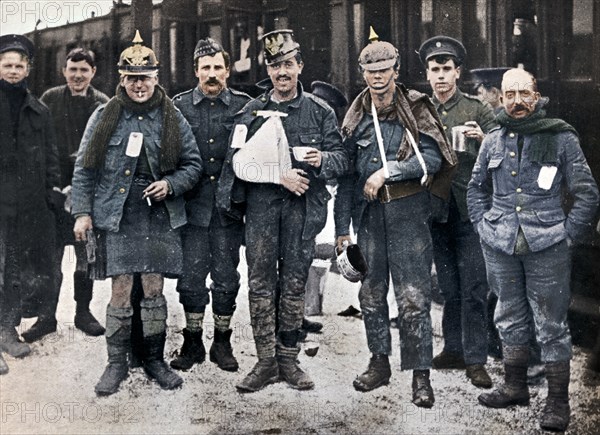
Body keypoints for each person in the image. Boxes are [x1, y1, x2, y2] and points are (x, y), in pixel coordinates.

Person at [71, 31, 202, 396]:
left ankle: (154, 359)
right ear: (121, 80)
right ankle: (116, 362)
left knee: (154, 287)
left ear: (156, 78)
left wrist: (171, 185)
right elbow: (84, 169)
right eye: (131, 78)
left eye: (145, 78)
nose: (139, 85)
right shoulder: (105, 115)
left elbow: (193, 164)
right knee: (121, 286)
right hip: (119, 212)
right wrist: (82, 213)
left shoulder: (171, 116)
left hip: (157, 212)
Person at [468, 68, 599, 432]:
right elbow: (476, 188)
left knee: (550, 324)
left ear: (537, 95)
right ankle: (515, 386)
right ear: (502, 98)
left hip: (548, 245)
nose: (517, 102)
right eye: (509, 95)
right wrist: (483, 225)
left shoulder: (560, 137)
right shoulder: (493, 138)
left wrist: (568, 234)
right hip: (501, 243)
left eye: (524, 94)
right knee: (508, 315)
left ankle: (558, 402)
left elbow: (587, 193)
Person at [218, 29, 348, 392]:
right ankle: (265, 363)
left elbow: (341, 160)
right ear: (268, 68)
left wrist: (321, 158)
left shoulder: (320, 112)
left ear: (300, 66)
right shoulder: (251, 112)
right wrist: (279, 176)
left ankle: (289, 361)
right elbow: (235, 163)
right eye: (275, 65)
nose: (282, 72)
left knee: (293, 283)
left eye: (288, 64)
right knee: (260, 284)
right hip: (261, 213)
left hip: (302, 213)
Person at [334, 29, 456, 407]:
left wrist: (390, 172)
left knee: (414, 297)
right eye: (371, 71)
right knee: (371, 294)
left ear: (397, 70)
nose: (378, 78)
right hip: (370, 217)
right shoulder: (355, 117)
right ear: (362, 73)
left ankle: (420, 377)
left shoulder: (417, 107)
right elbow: (347, 179)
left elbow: (436, 159)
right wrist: (341, 231)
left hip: (409, 214)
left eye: (385, 70)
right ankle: (379, 363)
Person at [418, 35, 496, 388]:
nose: (441, 76)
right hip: (436, 212)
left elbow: (501, 155)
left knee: (474, 287)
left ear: (458, 73)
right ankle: (453, 348)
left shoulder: (478, 110)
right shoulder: (419, 110)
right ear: (427, 73)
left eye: (447, 69)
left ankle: (477, 360)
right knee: (449, 287)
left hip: (470, 211)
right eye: (434, 69)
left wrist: (483, 140)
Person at [169, 38, 250, 372]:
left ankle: (222, 341)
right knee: (190, 278)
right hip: (192, 208)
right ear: (195, 71)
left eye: (218, 67)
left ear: (228, 71)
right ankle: (191, 341)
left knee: (226, 277)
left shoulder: (245, 106)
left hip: (229, 209)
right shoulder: (178, 106)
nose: (212, 74)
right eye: (206, 68)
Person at [21, 48, 110, 343]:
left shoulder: (103, 105)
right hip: (55, 191)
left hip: (87, 193)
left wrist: (81, 188)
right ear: (64, 71)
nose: (78, 76)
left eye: (84, 70)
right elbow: (38, 147)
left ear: (93, 73)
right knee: (50, 258)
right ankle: (47, 317)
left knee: (86, 257)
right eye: (73, 69)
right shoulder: (49, 100)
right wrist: (55, 187)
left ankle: (83, 313)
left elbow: (106, 153)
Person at [0, 34, 61, 374]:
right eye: (7, 65)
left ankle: (7, 331)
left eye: (18, 65)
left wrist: (50, 194)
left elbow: (51, 159)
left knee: (13, 272)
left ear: (28, 69)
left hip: (24, 206)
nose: (12, 70)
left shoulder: (39, 110)